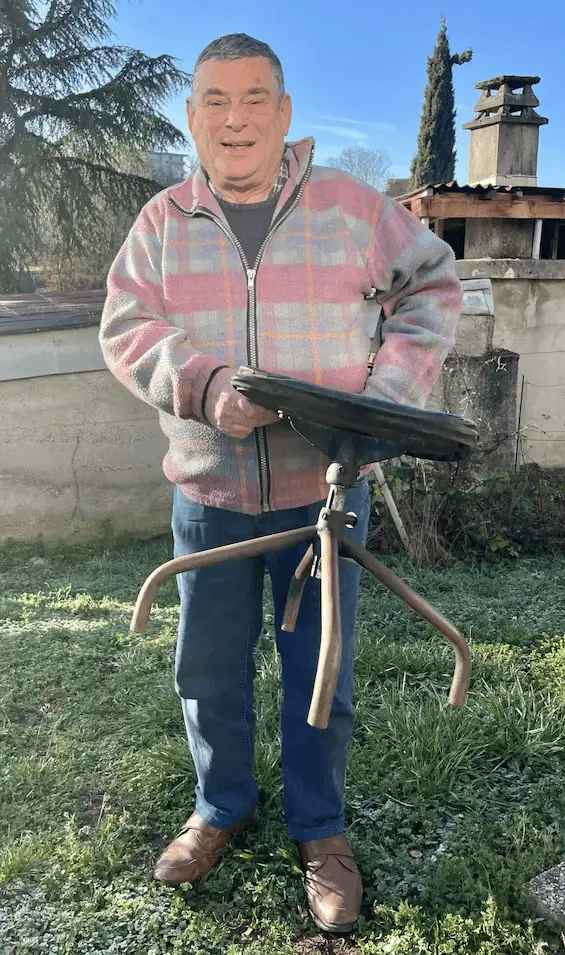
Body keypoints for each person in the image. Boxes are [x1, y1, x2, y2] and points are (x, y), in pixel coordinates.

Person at [99, 33, 461, 934]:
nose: (234, 118)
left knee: (321, 671)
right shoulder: (161, 222)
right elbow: (124, 328)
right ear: (192, 116)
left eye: (254, 98)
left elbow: (434, 286)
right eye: (214, 100)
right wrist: (205, 385)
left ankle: (321, 831)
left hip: (325, 498)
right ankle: (220, 806)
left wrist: (379, 406)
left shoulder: (350, 207)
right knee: (208, 668)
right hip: (209, 496)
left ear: (285, 113)